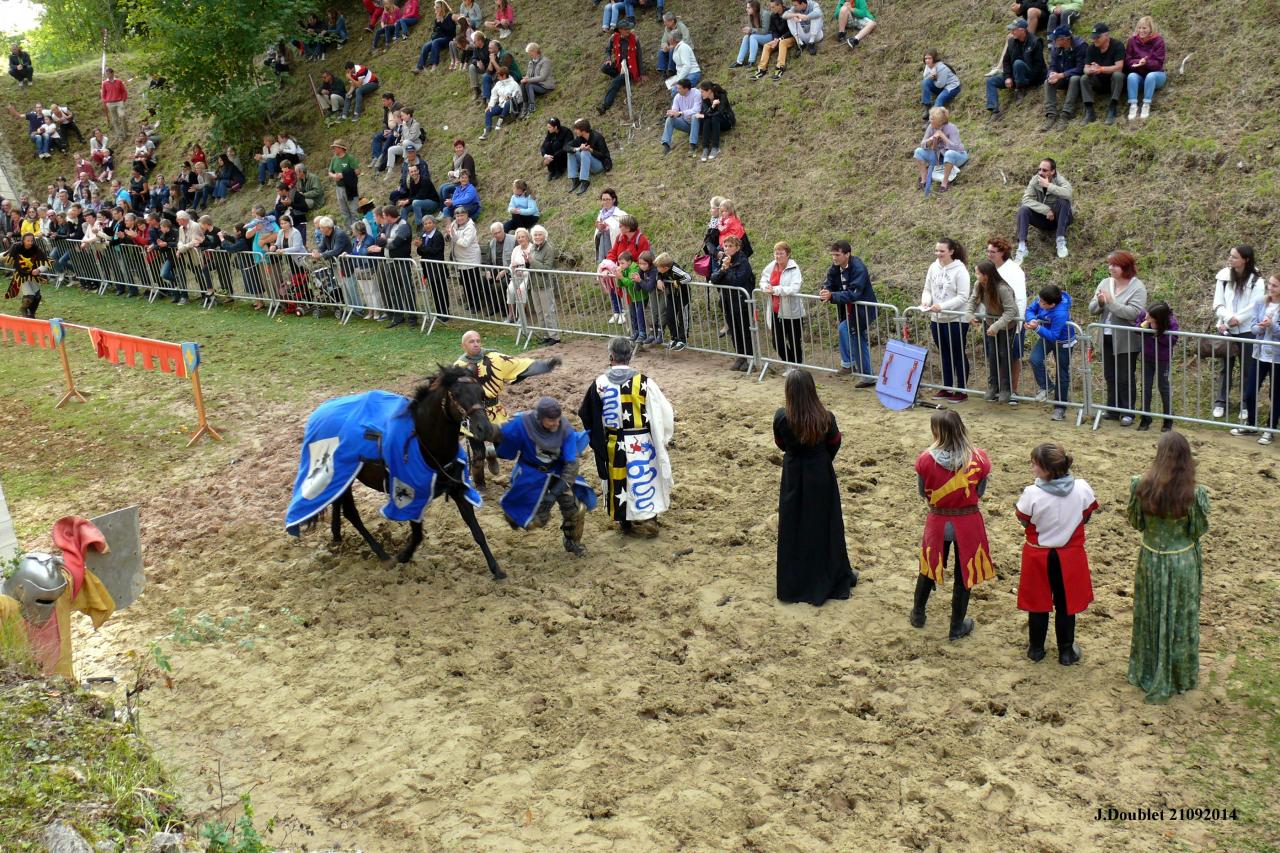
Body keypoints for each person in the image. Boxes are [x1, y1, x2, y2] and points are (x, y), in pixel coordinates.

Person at [1127, 432, 1210, 704]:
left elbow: (1137, 523)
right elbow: (1197, 529)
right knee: (1179, 617)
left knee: (1150, 614)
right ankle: (1179, 675)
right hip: (1182, 561)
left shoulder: (1140, 485)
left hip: (1150, 560)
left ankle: (1147, 670)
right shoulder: (1195, 493)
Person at [773, 368, 858, 605]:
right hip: (820, 474)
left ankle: (796, 582)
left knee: (794, 526)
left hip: (793, 475)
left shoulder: (782, 418)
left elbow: (780, 443)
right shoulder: (825, 418)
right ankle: (833, 574)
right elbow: (835, 443)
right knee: (825, 526)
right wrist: (820, 460)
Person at [579, 336, 675, 537]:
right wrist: (663, 438)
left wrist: (598, 441)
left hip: (614, 443)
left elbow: (586, 414)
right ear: (630, 356)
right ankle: (650, 518)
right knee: (645, 478)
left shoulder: (599, 384)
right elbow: (664, 412)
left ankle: (625, 521)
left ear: (611, 356)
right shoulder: (644, 382)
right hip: (642, 441)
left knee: (620, 480)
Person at [911, 410, 993, 640]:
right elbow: (980, 492)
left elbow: (922, 493)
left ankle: (918, 613)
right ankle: (956, 626)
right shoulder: (979, 458)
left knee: (928, 565)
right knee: (964, 573)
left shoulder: (925, 459)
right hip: (967, 523)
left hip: (938, 521)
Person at [1016, 443, 1098, 666]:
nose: (1032, 467)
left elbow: (1023, 519)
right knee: (1066, 604)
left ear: (1047, 470)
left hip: (1039, 555)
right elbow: (1087, 515)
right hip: (1069, 556)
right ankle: (1066, 652)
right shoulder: (1082, 488)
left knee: (1038, 602)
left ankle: (1036, 649)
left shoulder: (1032, 493)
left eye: (1035, 464)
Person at [455, 329, 561, 488]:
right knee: (477, 456)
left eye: (478, 340)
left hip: (494, 412)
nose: (476, 344)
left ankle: (492, 454)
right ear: (463, 346)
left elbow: (520, 364)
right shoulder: (458, 367)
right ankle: (480, 485)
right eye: (472, 341)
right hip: (474, 415)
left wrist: (546, 365)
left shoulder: (495, 358)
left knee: (503, 447)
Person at [495, 397, 594, 556]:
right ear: (539, 418)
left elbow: (571, 466)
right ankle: (513, 517)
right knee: (534, 522)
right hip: (530, 472)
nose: (556, 424)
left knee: (575, 509)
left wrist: (553, 495)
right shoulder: (523, 424)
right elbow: (503, 439)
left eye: (557, 419)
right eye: (551, 420)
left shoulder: (565, 429)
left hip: (556, 471)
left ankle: (572, 542)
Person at [1089, 249, 1148, 426]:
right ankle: (1112, 409)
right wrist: (1100, 303)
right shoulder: (1105, 282)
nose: (1111, 268)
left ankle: (1128, 411)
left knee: (1125, 376)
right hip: (1106, 336)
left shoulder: (1137, 287)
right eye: (1110, 264)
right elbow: (1092, 308)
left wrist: (1112, 304)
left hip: (1126, 339)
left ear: (1125, 267)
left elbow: (1134, 313)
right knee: (1109, 374)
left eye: (1115, 265)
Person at [1212, 245, 1264, 430]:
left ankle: (1245, 404)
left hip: (1247, 329)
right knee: (1225, 367)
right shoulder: (1224, 277)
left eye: (1234, 257)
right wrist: (1227, 318)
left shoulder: (1256, 281)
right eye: (1230, 256)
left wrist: (1238, 319)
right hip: (1226, 328)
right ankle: (1221, 401)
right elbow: (1218, 302)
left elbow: (1255, 306)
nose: (1230, 259)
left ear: (1246, 260)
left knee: (1248, 370)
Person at [920, 238, 971, 399]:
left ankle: (961, 389)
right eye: (937, 250)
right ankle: (946, 387)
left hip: (956, 319)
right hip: (937, 319)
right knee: (944, 353)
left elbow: (963, 297)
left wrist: (943, 306)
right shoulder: (933, 267)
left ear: (951, 251)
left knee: (957, 353)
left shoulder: (960, 270)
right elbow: (927, 288)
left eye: (942, 251)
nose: (938, 254)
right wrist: (926, 300)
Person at [964, 260, 1020, 404]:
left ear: (986, 275)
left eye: (977, 273)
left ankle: (1006, 388)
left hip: (1006, 325)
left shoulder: (1002, 288)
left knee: (1004, 354)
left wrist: (997, 326)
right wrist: (969, 315)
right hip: (990, 322)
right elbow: (972, 301)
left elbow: (1011, 310)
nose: (975, 275)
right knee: (992, 354)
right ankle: (993, 385)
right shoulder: (979, 285)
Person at [1025, 283, 1075, 421]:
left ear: (1052, 305)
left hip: (1063, 341)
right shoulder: (1044, 298)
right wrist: (1032, 320)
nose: (1039, 303)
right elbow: (1029, 309)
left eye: (1043, 303)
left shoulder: (1060, 313)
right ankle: (1047, 386)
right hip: (1046, 335)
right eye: (1039, 300)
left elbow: (1055, 335)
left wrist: (1036, 329)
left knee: (1062, 372)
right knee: (1035, 359)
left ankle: (1060, 407)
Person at [986, 236, 1027, 393]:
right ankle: (999, 387)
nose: (989, 254)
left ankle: (1012, 389)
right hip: (994, 319)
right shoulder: (990, 268)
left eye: (993, 252)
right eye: (988, 251)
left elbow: (1020, 298)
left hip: (1011, 320)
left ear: (1003, 253)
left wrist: (1018, 323)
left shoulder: (1014, 270)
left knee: (1012, 355)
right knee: (996, 355)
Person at [985, 18, 1046, 122]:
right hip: (1015, 76)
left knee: (1018, 63)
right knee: (991, 81)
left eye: (1014, 30)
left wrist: (1029, 81)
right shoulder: (1011, 41)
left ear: (1022, 30)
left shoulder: (1035, 42)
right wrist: (1008, 77)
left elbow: (1038, 66)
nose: (1011, 32)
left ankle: (1020, 89)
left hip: (1030, 76)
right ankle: (995, 110)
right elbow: (1006, 62)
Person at [710, 234, 755, 371]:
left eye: (730, 246)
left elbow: (736, 281)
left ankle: (750, 359)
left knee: (744, 331)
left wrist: (727, 269)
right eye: (726, 246)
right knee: (734, 331)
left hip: (742, 302)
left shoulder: (743, 261)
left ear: (737, 247)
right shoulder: (724, 260)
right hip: (728, 301)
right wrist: (723, 268)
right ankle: (740, 357)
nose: (727, 248)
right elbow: (714, 278)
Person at [1015, 157, 1073, 262]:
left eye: (1044, 170)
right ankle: (1022, 247)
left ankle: (1060, 240)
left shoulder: (1059, 179)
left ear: (1053, 171)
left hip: (1061, 218)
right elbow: (1026, 199)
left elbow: (1068, 193)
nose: (1040, 172)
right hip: (1045, 219)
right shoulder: (1035, 180)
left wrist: (1048, 185)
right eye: (1039, 169)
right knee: (1023, 209)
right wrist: (1046, 210)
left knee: (1064, 201)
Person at [1135, 300, 1179, 432]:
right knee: (1146, 387)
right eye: (1147, 315)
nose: (1146, 317)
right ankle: (1145, 418)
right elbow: (1136, 328)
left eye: (1150, 317)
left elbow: (1173, 339)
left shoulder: (1171, 322)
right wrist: (1146, 327)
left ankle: (1168, 419)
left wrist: (1158, 333)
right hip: (1147, 357)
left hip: (1162, 359)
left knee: (1163, 387)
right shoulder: (1145, 315)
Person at [759, 241, 804, 365]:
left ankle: (796, 365)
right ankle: (790, 363)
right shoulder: (772, 266)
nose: (778, 256)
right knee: (777, 342)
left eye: (781, 253)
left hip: (791, 311)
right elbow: (763, 279)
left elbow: (794, 288)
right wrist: (765, 287)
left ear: (788, 254)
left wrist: (776, 290)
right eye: (776, 253)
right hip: (775, 310)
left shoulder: (794, 268)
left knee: (794, 340)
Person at [1251, 273, 1280, 446]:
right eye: (1269, 284)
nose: (1270, 288)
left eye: (1275, 285)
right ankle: (1250, 424)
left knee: (1275, 394)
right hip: (1259, 353)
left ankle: (1270, 428)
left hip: (1277, 356)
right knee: (1249, 391)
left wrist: (1272, 325)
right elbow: (1253, 327)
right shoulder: (1260, 302)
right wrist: (1260, 327)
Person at [1041, 25, 1086, 130]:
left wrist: (1061, 75)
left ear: (1065, 39)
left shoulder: (1081, 47)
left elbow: (1081, 68)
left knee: (1075, 79)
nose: (1053, 42)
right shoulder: (1055, 48)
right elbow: (1052, 66)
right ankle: (1051, 115)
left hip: (1076, 79)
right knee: (1047, 82)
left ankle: (1066, 114)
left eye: (1056, 39)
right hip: (1062, 77)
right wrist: (1051, 74)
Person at [913, 106, 967, 193]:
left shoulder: (951, 128)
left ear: (939, 121)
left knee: (949, 154)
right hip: (939, 158)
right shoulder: (931, 127)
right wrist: (931, 139)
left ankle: (945, 183)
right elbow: (922, 144)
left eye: (932, 119)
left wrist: (942, 136)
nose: (930, 120)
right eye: (930, 118)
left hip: (957, 156)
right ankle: (924, 179)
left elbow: (955, 148)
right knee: (918, 151)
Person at [1081, 22, 1125, 125]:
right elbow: (1085, 68)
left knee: (1118, 75)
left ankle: (1113, 108)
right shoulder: (1091, 48)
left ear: (1106, 35)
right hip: (1099, 82)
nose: (1094, 40)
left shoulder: (1117, 45)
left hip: (1114, 82)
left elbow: (1119, 67)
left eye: (1097, 37)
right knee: (1084, 78)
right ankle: (1089, 111)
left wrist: (1101, 69)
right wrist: (1090, 70)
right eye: (1093, 37)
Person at [596, 21, 643, 117]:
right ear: (620, 30)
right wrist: (609, 59)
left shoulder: (635, 39)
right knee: (605, 68)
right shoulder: (614, 38)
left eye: (629, 29)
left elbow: (639, 57)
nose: (628, 31)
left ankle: (605, 106)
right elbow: (607, 49)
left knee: (614, 83)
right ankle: (620, 78)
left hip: (630, 69)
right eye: (626, 29)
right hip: (619, 65)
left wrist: (642, 73)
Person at [1125, 15, 1166, 120]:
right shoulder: (1132, 41)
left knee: (1151, 76)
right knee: (1131, 76)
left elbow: (1158, 63)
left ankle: (1146, 104)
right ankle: (1133, 105)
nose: (1141, 30)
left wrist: (1146, 62)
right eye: (1139, 28)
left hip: (1156, 75)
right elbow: (1128, 60)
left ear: (1150, 29)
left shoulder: (1159, 41)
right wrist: (1139, 62)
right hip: (1140, 75)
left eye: (1144, 28)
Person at [3, 232, 49, 317]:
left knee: (37, 296)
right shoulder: (16, 247)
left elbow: (45, 263)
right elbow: (5, 255)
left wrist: (38, 270)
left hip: (33, 276)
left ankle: (31, 313)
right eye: (28, 240)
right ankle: (24, 309)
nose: (30, 242)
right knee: (29, 296)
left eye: (32, 240)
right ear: (23, 241)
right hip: (21, 276)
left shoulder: (36, 249)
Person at [527, 224, 559, 344]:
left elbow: (547, 268)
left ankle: (554, 336)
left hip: (545, 284)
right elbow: (530, 264)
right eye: (535, 235)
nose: (537, 237)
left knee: (548, 311)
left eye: (540, 234)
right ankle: (545, 335)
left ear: (544, 236)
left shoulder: (549, 248)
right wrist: (527, 262)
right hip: (534, 283)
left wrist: (532, 261)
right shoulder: (533, 248)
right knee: (539, 311)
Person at [654, 252, 691, 350]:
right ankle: (674, 337)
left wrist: (678, 282)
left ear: (665, 268)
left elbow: (688, 277)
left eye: (659, 267)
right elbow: (658, 274)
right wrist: (658, 280)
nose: (657, 269)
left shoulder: (675, 269)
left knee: (682, 318)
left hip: (682, 297)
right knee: (670, 316)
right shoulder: (662, 270)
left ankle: (683, 340)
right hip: (672, 295)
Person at [566, 118, 612, 196]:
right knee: (571, 153)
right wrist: (577, 148)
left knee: (584, 152)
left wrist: (591, 150)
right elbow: (566, 146)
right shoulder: (579, 138)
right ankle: (575, 179)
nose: (575, 131)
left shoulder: (598, 137)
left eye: (576, 129)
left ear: (583, 130)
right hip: (589, 164)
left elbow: (604, 156)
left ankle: (584, 181)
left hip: (600, 165)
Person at [752, 0, 794, 80]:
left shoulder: (789, 12)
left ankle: (780, 68)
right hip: (778, 39)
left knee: (782, 42)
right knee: (767, 45)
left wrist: (780, 39)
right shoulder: (773, 16)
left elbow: (792, 30)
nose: (771, 9)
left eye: (773, 7)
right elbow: (774, 30)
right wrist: (775, 39)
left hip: (791, 37)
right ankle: (761, 69)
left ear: (779, 6)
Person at [695, 80, 734, 162]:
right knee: (707, 119)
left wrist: (705, 115)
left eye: (702, 92)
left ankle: (715, 147)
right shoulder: (705, 100)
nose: (701, 94)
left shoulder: (721, 96)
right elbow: (705, 112)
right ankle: (705, 148)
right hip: (714, 124)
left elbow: (720, 112)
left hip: (727, 121)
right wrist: (712, 106)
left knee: (714, 117)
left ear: (709, 91)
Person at [414, 1, 458, 72]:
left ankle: (434, 65)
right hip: (439, 38)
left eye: (437, 7)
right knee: (426, 46)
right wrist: (437, 22)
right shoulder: (438, 16)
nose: (436, 9)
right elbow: (435, 30)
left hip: (448, 38)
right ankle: (419, 67)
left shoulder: (450, 16)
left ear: (442, 7)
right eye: (435, 7)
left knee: (435, 42)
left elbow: (450, 30)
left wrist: (442, 22)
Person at [661, 79, 701, 156]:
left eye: (679, 88)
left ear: (686, 89)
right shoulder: (677, 97)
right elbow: (675, 110)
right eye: (677, 88)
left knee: (694, 116)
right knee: (670, 119)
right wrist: (672, 113)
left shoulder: (696, 93)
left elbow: (696, 110)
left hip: (698, 124)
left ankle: (693, 145)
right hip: (686, 123)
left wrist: (680, 113)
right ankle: (666, 145)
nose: (677, 90)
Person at [480, 67, 522, 140]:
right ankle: (487, 129)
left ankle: (500, 121)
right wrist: (490, 105)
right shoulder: (498, 84)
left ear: (504, 76)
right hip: (501, 105)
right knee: (488, 112)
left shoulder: (513, 84)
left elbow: (519, 96)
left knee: (508, 103)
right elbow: (494, 95)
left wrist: (512, 97)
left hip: (511, 105)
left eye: (499, 76)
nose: (498, 78)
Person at [327, 139, 360, 227]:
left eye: (335, 147)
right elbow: (330, 172)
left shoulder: (350, 158)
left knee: (354, 210)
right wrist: (334, 176)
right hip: (339, 188)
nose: (333, 149)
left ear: (341, 148)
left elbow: (357, 171)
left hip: (350, 187)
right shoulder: (334, 159)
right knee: (344, 210)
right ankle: (349, 229)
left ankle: (357, 229)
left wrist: (343, 175)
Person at [920, 49, 961, 119]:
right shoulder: (928, 65)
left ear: (934, 58)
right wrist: (932, 76)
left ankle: (933, 121)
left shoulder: (942, 68)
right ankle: (927, 107)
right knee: (924, 82)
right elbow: (925, 77)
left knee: (939, 99)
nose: (927, 60)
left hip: (951, 87)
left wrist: (934, 77)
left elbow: (940, 85)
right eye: (925, 58)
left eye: (929, 58)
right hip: (940, 86)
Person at [734, 1, 775, 68]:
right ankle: (739, 61)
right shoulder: (751, 16)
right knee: (746, 37)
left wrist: (751, 30)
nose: (746, 9)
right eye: (747, 8)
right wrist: (748, 31)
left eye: (749, 7)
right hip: (761, 37)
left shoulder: (765, 14)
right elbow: (754, 30)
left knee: (753, 37)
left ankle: (751, 61)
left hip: (770, 36)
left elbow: (765, 31)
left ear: (755, 8)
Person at [521, 43, 555, 117]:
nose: (529, 54)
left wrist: (528, 80)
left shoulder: (545, 61)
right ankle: (525, 107)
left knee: (528, 84)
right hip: (536, 84)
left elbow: (542, 77)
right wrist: (526, 78)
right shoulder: (531, 62)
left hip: (545, 86)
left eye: (529, 52)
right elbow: (528, 74)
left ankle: (532, 107)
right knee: (523, 84)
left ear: (534, 51)